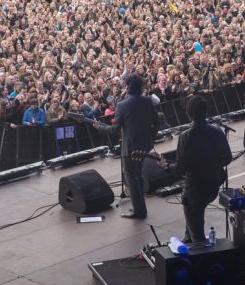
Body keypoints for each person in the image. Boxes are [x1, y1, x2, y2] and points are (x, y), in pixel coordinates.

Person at [159, 95, 232, 243]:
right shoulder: (217, 131)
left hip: (195, 189)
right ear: (206, 112)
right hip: (213, 184)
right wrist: (211, 162)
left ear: (189, 113)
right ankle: (188, 238)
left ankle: (197, 248)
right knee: (192, 220)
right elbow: (228, 158)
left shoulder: (186, 137)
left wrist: (166, 167)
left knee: (197, 232)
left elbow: (179, 169)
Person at [94, 74, 159, 219]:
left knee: (131, 178)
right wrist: (150, 140)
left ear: (128, 88)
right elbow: (157, 122)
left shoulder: (123, 105)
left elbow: (115, 129)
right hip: (145, 145)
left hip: (129, 148)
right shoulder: (148, 101)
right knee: (139, 176)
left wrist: (99, 127)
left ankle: (139, 211)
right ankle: (141, 207)